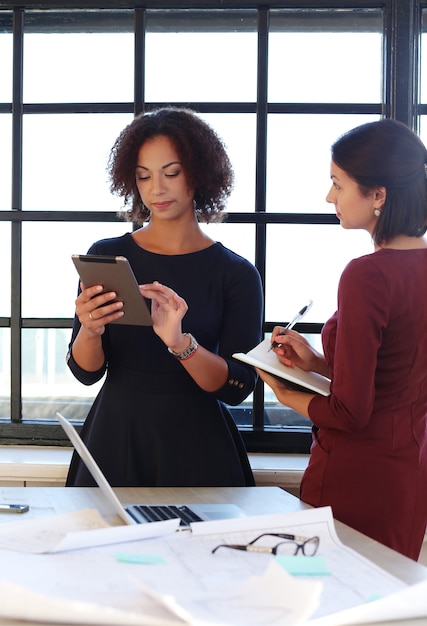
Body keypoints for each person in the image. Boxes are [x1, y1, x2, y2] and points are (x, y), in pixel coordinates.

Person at [66, 107, 263, 488]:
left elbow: (238, 386)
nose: (156, 188)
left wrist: (180, 343)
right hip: (116, 436)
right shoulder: (107, 255)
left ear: (200, 173)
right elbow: (85, 372)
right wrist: (89, 331)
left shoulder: (236, 274)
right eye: (143, 176)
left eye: (171, 173)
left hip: (199, 444)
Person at [257, 119, 427, 560]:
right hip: (408, 471)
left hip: (356, 473)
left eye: (337, 184)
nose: (329, 196)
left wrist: (283, 390)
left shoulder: (367, 275)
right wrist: (316, 362)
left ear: (378, 195)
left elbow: (351, 412)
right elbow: (398, 371)